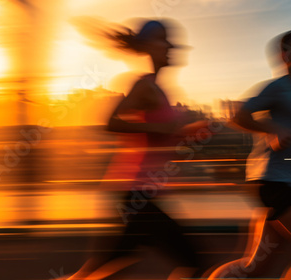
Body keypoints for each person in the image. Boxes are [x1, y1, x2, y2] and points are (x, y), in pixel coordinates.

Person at [62, 19, 207, 280]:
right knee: (194, 261)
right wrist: (160, 129)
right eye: (163, 39)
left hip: (138, 192)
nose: (171, 46)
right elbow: (111, 122)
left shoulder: (160, 90)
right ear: (149, 47)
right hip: (136, 193)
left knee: (111, 266)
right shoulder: (145, 86)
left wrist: (188, 132)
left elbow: (160, 136)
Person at [206, 28, 291, 280]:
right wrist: (271, 128)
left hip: (273, 184)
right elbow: (237, 115)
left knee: (255, 266)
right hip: (274, 185)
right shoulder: (279, 88)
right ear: (285, 55)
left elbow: (288, 143)